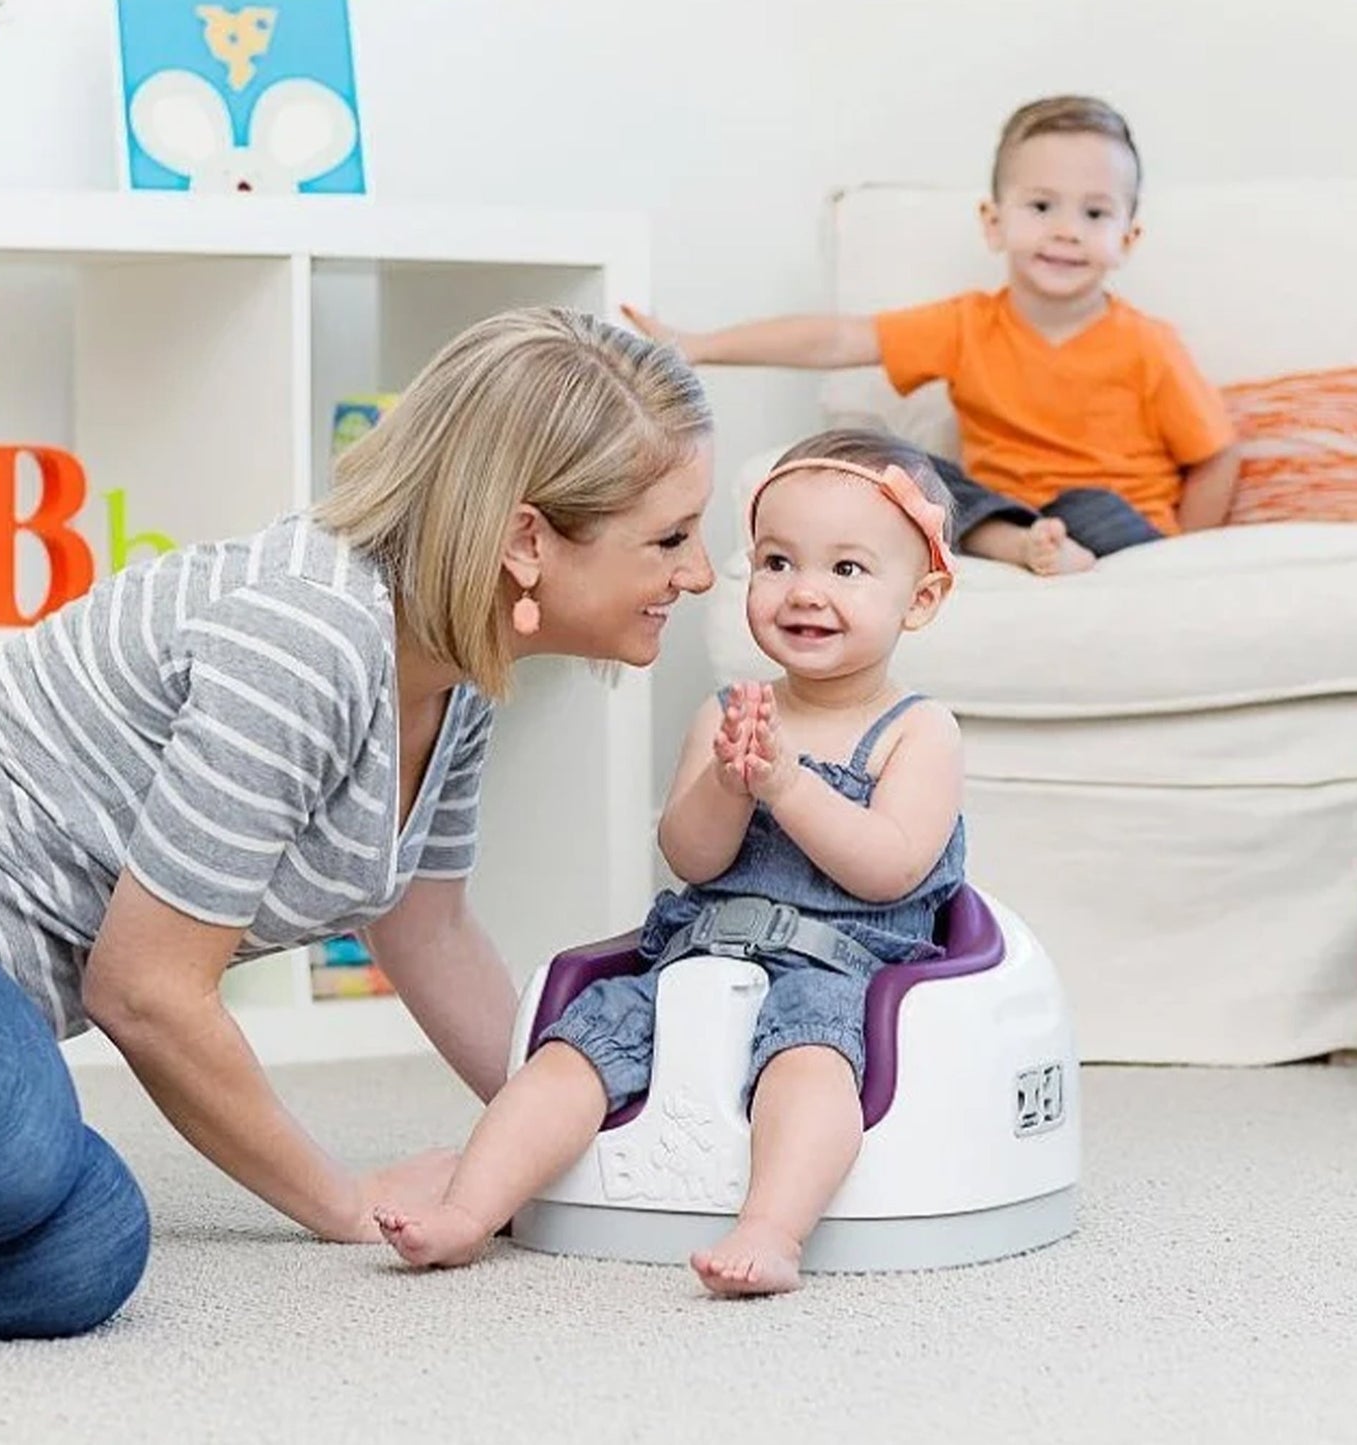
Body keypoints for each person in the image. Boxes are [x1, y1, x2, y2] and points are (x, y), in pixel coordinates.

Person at [0, 307, 716, 1340]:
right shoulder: (305, 634)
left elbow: (426, 930)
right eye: (669, 537)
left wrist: (573, 1140)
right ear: (526, 539)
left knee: (88, 1241)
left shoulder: (452, 665)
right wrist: (344, 1201)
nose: (695, 573)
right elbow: (146, 988)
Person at [374, 428, 966, 1297]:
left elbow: (890, 868)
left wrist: (790, 786)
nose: (804, 591)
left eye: (846, 570)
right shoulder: (728, 712)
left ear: (918, 600)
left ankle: (770, 1228)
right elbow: (690, 855)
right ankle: (472, 1207)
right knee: (569, 1054)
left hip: (841, 975)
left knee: (809, 1067)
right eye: (776, 561)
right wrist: (729, 783)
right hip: (692, 958)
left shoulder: (918, 731)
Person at [623, 95, 1239, 577]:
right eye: (1042, 206)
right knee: (906, 468)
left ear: (1127, 239)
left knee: (1085, 507)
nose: (1067, 231)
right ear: (994, 224)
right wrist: (700, 346)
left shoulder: (1149, 345)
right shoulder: (966, 324)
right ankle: (1021, 545)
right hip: (1003, 510)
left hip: (1115, 522)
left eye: (1095, 213)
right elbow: (837, 340)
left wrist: (1184, 555)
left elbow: (1216, 457)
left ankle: (1044, 543)